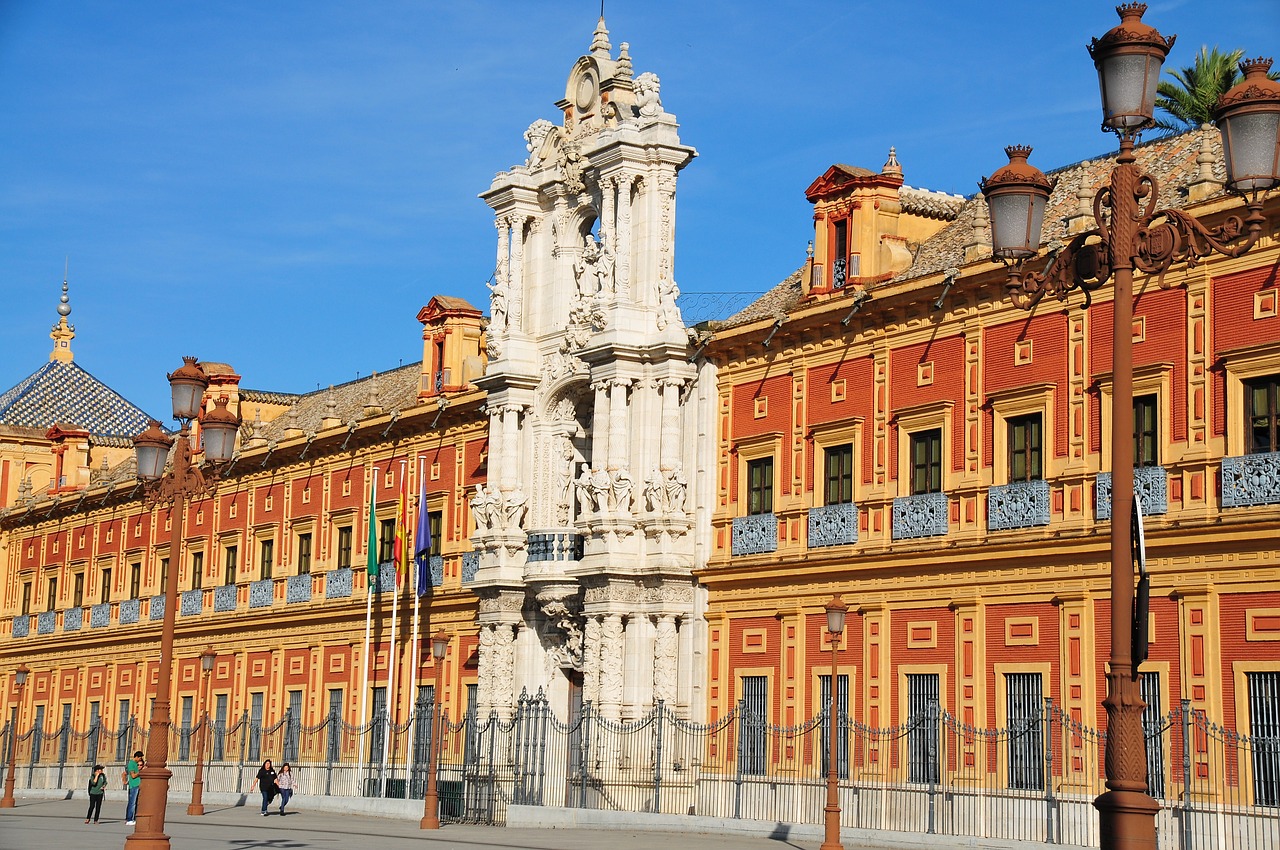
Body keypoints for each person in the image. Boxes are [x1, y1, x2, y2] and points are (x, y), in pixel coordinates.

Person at [123, 750, 143, 824]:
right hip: (134, 785)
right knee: (132, 803)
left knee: (137, 803)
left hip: (138, 785)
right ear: (136, 757)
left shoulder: (135, 764)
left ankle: (134, 818)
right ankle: (129, 819)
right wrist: (140, 772)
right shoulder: (131, 764)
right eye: (140, 758)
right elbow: (133, 775)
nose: (140, 760)